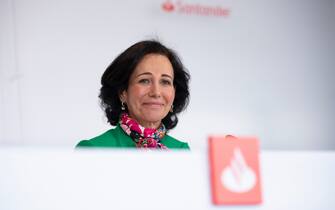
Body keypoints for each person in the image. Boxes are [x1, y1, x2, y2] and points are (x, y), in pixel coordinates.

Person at [76, 40, 190, 149]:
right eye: (144, 80)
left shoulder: (181, 150)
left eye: (165, 82)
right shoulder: (93, 149)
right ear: (122, 92)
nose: (156, 92)